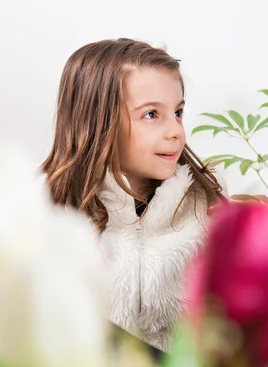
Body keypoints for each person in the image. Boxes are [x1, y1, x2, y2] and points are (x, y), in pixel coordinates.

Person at [41, 38, 226, 350]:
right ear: (97, 121)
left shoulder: (206, 211)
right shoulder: (48, 217)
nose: (176, 131)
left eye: (178, 112)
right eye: (152, 114)